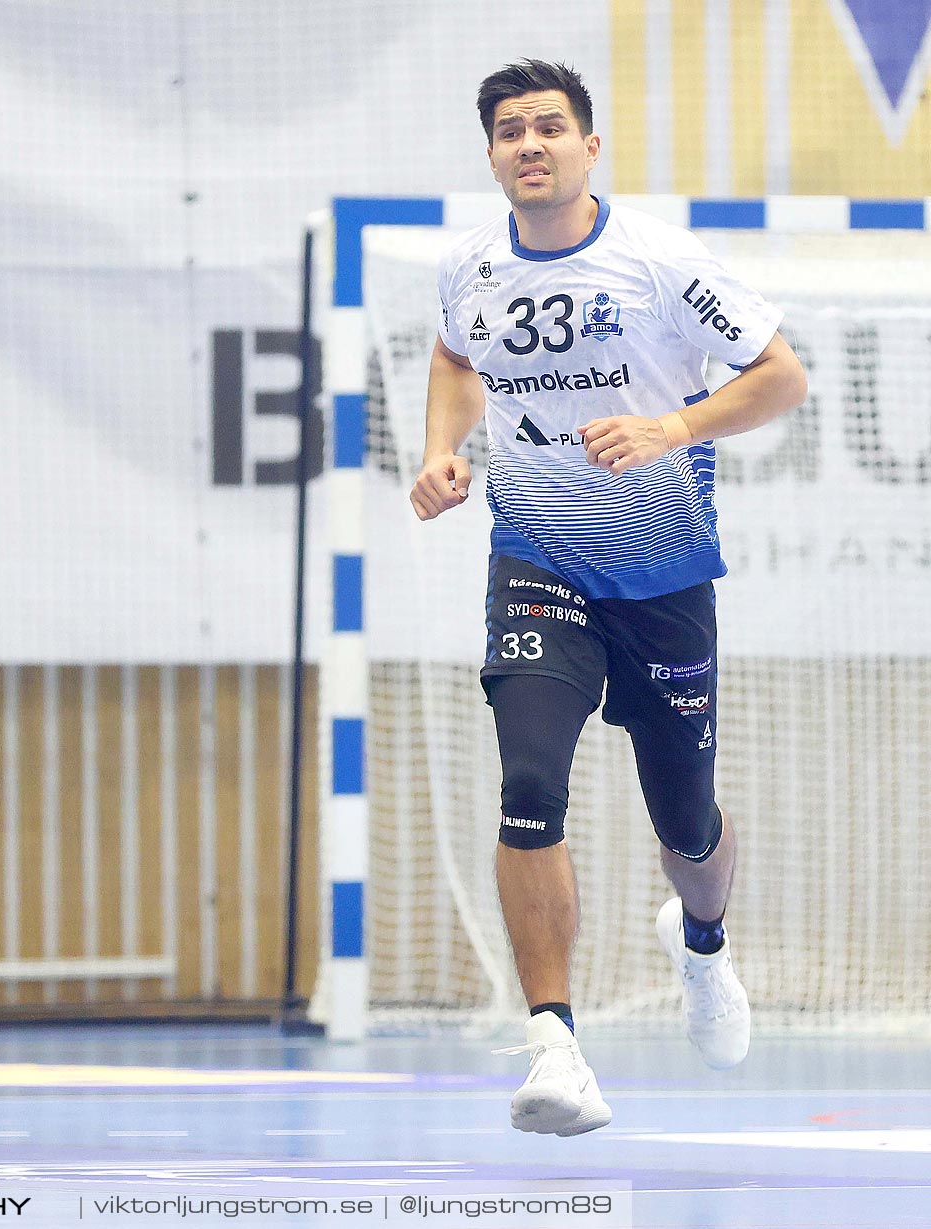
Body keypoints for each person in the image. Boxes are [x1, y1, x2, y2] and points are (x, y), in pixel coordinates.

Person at [410, 59, 807, 1138]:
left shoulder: (660, 261)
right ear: (491, 155)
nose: (528, 144)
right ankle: (554, 1043)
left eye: (547, 127)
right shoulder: (470, 267)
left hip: (664, 576)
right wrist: (443, 450)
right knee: (529, 776)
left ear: (590, 147)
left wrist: (672, 427)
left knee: (685, 816)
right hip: (537, 558)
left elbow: (783, 375)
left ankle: (705, 944)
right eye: (507, 132)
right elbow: (454, 353)